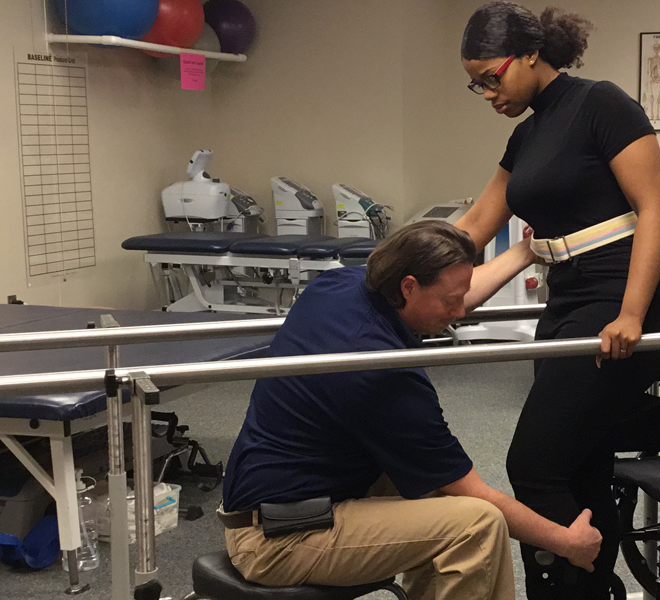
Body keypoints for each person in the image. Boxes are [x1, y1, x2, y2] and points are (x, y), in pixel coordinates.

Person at [218, 221, 602, 600]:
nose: (459, 312)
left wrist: (523, 252)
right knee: (477, 525)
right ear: (408, 287)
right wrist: (568, 541)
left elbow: (453, 294)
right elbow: (476, 493)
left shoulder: (339, 285)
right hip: (279, 541)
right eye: (449, 302)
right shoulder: (381, 369)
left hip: (274, 502)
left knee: (431, 490)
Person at [456, 2, 660, 597]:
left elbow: (655, 207)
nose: (484, 92)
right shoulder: (526, 134)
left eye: (490, 77)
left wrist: (632, 311)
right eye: (473, 82)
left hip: (621, 297)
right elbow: (477, 222)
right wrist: (394, 268)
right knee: (581, 462)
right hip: (568, 302)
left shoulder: (600, 103)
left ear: (531, 53)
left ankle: (565, 589)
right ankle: (593, 587)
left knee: (534, 464)